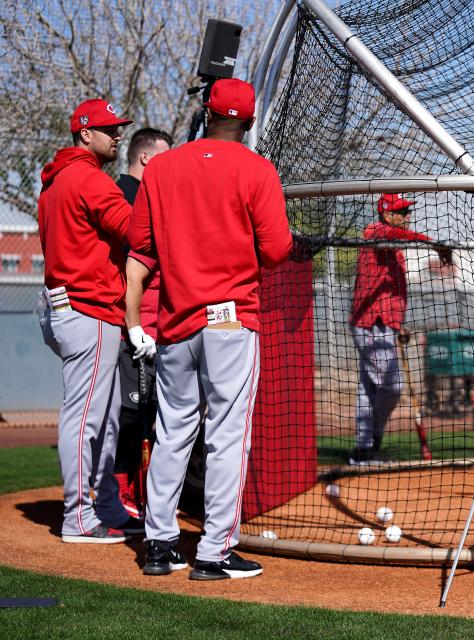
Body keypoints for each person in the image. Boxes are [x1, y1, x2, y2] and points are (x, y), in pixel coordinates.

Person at [126, 78, 292, 578]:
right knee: (226, 436)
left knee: (172, 432)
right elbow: (278, 250)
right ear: (247, 120)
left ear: (206, 111)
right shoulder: (258, 169)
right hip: (231, 320)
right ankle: (213, 552)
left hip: (175, 320)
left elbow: (141, 246)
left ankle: (158, 546)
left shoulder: (162, 167)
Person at [37, 98, 139, 542]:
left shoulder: (56, 179)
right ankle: (78, 514)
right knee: (84, 418)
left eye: (119, 128)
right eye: (109, 128)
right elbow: (138, 231)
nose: (118, 134)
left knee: (108, 415)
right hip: (88, 306)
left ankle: (107, 505)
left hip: (72, 306)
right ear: (84, 133)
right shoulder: (89, 180)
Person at [348, 194, 452, 465]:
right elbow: (391, 233)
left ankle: (362, 451)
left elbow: (391, 293)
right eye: (402, 211)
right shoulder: (375, 231)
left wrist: (398, 325)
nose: (408, 215)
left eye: (408, 211)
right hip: (369, 323)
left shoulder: (395, 250)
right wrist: (433, 243)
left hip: (384, 325)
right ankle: (373, 437)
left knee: (369, 387)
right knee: (393, 385)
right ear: (386, 214)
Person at [113, 128, 173, 518]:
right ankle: (121, 494)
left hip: (151, 321)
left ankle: (136, 493)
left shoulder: (144, 195)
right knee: (131, 413)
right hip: (132, 320)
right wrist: (135, 326)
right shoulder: (126, 195)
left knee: (147, 413)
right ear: (147, 158)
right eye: (166, 156)